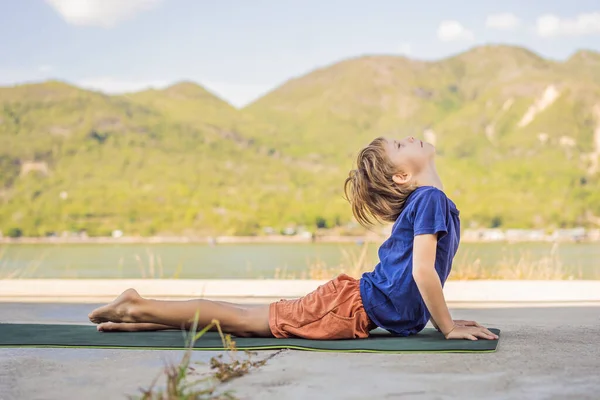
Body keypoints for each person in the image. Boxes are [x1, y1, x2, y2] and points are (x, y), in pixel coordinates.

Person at [89, 136, 498, 341]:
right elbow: (423, 271)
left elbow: (421, 275)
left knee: (248, 321)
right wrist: (446, 327)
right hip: (349, 306)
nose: (410, 138)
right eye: (400, 143)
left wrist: (441, 319)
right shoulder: (430, 199)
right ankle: (135, 305)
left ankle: (143, 318)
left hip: (353, 303)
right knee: (248, 322)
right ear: (402, 176)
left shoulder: (430, 200)